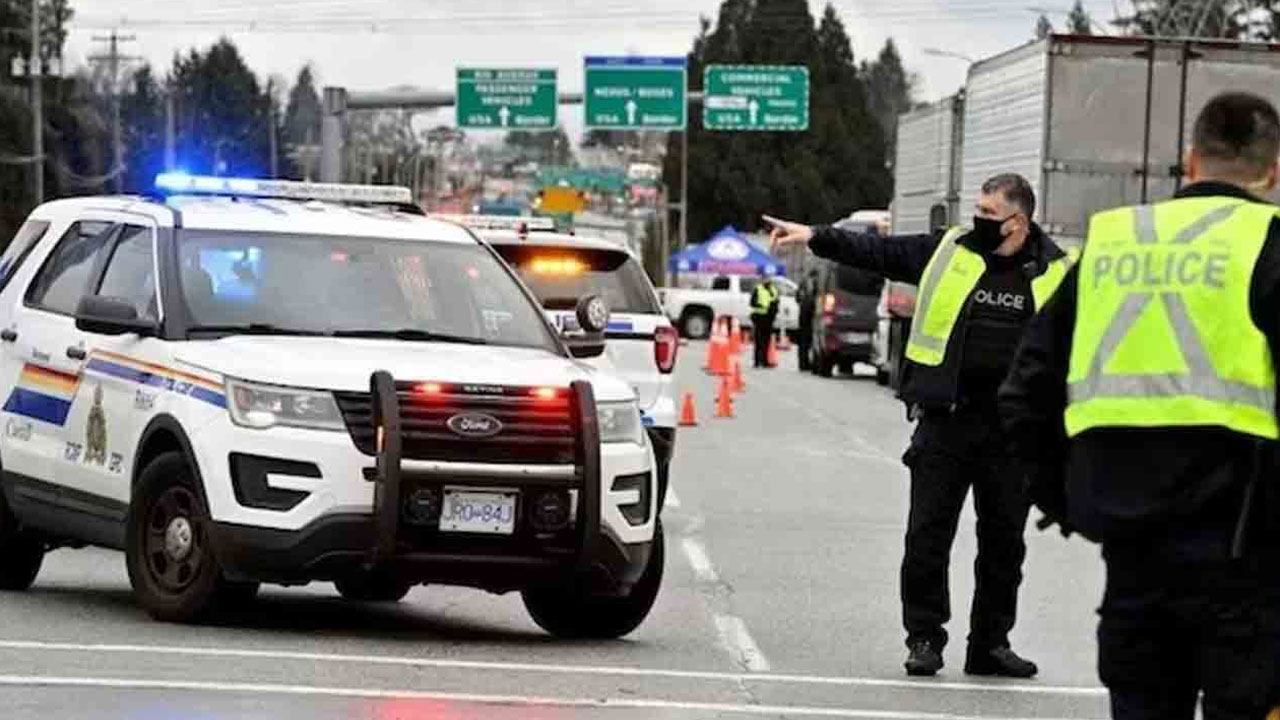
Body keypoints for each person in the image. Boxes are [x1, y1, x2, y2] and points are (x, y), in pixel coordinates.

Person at [999, 92, 1280, 718]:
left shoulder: (1112, 243)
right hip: (1247, 559)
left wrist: (1067, 499)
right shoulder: (1271, 244)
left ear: (1189, 161)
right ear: (1272, 171)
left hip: (1132, 553)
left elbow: (1025, 392)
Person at [765, 174, 1075, 678]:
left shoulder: (1056, 272)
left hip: (1013, 434)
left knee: (1004, 547)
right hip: (947, 422)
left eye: (989, 213)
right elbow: (880, 252)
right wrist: (815, 234)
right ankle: (925, 639)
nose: (978, 219)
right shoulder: (950, 249)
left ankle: (990, 645)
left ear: (1018, 222)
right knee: (927, 538)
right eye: (977, 208)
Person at [750, 273, 780, 368]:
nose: (767, 281)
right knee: (758, 340)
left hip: (769, 319)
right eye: (765, 279)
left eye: (769, 279)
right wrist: (762, 306)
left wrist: (774, 311)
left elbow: (776, 301)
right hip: (759, 317)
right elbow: (752, 303)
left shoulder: (774, 290)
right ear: (762, 280)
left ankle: (765, 361)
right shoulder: (758, 289)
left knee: (766, 341)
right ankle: (757, 361)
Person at [797, 269, 819, 371]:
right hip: (810, 313)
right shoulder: (815, 283)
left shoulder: (803, 283)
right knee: (809, 339)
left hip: (803, 312)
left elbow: (797, 297)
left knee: (803, 340)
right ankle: (807, 363)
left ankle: (803, 363)